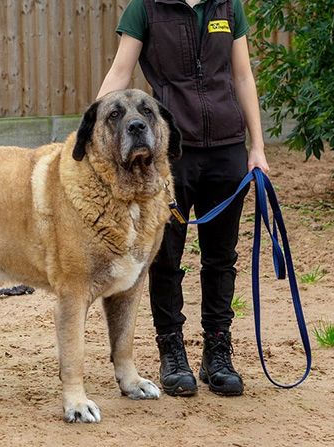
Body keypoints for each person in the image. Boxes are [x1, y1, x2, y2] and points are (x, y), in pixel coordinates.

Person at [96, 0, 270, 397]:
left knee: (221, 256)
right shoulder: (144, 8)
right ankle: (171, 350)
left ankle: (218, 351)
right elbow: (120, 72)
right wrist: (88, 131)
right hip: (171, 152)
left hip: (228, 147)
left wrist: (256, 147)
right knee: (167, 256)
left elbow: (242, 77)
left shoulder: (228, 6)